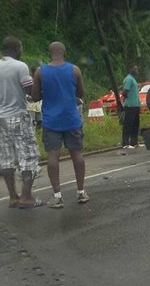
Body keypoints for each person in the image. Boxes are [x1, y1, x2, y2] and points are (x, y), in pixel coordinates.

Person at [32, 41, 89, 208]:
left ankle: (57, 196)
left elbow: (35, 97)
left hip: (51, 121)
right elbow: (80, 93)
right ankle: (81, 192)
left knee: (52, 157)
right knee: (77, 155)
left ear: (49, 54)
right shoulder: (75, 70)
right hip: (71, 119)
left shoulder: (40, 72)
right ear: (64, 52)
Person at [0, 36, 44, 209]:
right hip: (18, 116)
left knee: (6, 158)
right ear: (17, 48)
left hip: (1, 118)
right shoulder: (20, 66)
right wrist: (38, 84)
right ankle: (27, 197)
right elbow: (31, 92)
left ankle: (13, 197)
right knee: (29, 156)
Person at [122, 64, 141, 148]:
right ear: (130, 69)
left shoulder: (133, 79)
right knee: (128, 124)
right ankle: (125, 143)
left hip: (136, 105)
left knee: (135, 124)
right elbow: (125, 91)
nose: (136, 70)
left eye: (137, 69)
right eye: (134, 68)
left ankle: (134, 142)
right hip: (130, 105)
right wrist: (128, 100)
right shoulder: (129, 79)